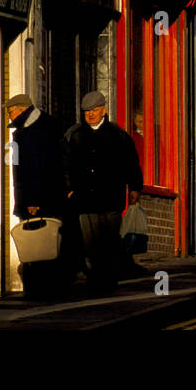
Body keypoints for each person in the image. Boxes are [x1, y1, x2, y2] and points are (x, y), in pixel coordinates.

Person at [62, 91, 143, 293]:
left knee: (109, 241)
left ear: (104, 111)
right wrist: (69, 188)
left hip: (110, 198)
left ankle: (108, 280)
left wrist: (134, 187)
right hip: (84, 200)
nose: (90, 114)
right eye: (87, 111)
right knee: (90, 243)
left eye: (94, 110)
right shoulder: (74, 134)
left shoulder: (118, 135)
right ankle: (96, 279)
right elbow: (63, 164)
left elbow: (131, 163)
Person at [4, 93, 65, 220]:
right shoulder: (41, 124)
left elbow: (36, 167)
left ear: (21, 109)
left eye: (10, 112)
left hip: (38, 204)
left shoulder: (34, 131)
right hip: (46, 199)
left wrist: (33, 200)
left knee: (37, 236)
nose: (8, 117)